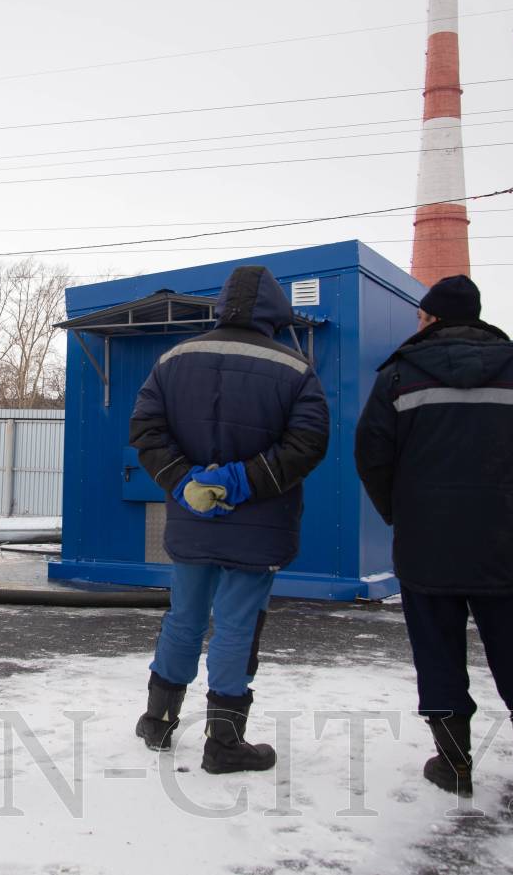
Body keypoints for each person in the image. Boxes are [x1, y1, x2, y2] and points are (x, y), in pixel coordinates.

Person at [354, 274, 513, 799]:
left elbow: (371, 456)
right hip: (501, 541)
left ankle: (453, 764)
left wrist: (400, 514)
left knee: (437, 651)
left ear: (430, 318)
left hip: (426, 543)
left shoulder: (399, 377)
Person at [129, 265, 329, 774]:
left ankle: (157, 721)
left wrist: (186, 481)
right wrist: (240, 482)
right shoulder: (296, 368)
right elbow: (308, 443)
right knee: (237, 626)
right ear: (276, 310)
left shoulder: (173, 359)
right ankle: (223, 744)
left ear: (222, 305)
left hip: (191, 517)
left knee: (184, 618)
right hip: (259, 524)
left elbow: (146, 428)